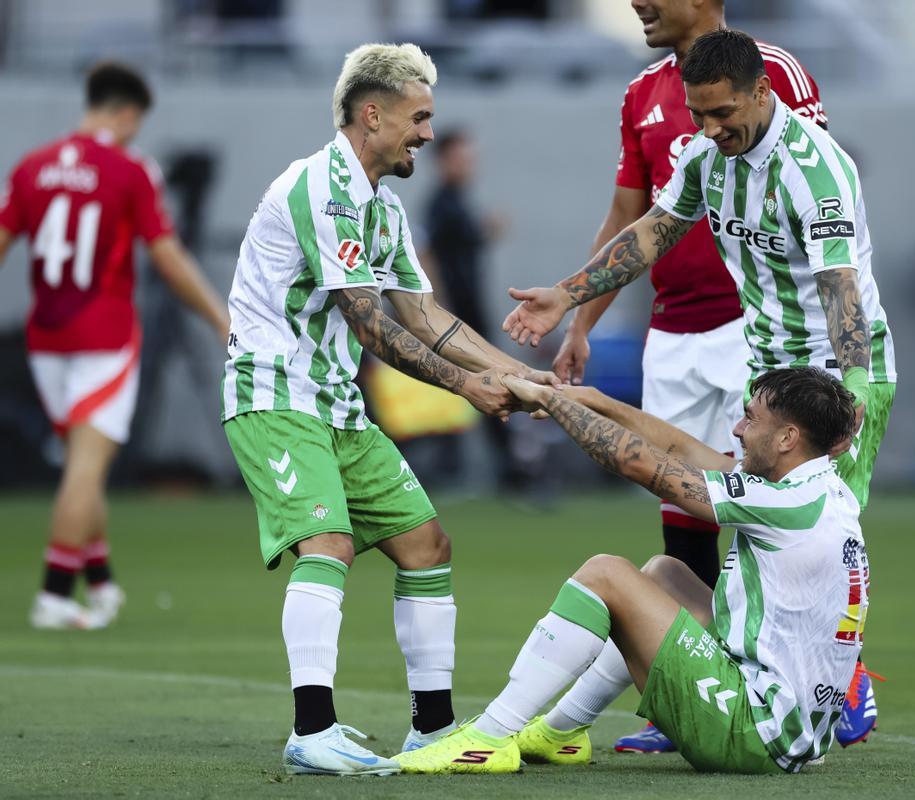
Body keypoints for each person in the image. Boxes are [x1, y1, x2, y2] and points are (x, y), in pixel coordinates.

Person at [504, 29, 896, 747]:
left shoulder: (817, 171)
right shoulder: (703, 155)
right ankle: (725, 687)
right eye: (701, 115)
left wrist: (857, 387)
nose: (711, 130)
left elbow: (841, 286)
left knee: (810, 532)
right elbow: (651, 233)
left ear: (762, 94)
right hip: (767, 367)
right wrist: (567, 296)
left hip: (837, 373)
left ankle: (839, 681)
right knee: (740, 535)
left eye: (723, 115)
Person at [220, 43, 547, 776]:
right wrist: (469, 388)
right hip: (275, 397)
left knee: (426, 545)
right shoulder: (320, 187)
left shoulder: (381, 207)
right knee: (327, 544)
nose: (427, 135)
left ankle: (431, 730)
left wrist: (526, 377)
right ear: (373, 114)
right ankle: (312, 731)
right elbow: (373, 326)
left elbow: (426, 316)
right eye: (419, 118)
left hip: (335, 405)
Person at [553, 0, 826, 753]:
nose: (637, 2)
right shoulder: (640, 95)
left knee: (756, 506)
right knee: (679, 518)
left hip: (752, 325)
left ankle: (827, 674)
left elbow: (815, 189)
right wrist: (582, 320)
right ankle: (693, 690)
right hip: (669, 332)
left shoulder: (774, 72)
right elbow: (629, 216)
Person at [392, 366, 867, 774]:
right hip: (795, 732)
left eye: (751, 419)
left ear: (788, 438)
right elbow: (680, 449)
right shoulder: (821, 490)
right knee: (666, 575)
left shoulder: (781, 501)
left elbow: (636, 463)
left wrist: (551, 402)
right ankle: (561, 732)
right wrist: (596, 402)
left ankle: (489, 737)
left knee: (606, 574)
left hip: (754, 735)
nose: (739, 430)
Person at [0, 62, 230, 631]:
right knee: (86, 466)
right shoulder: (130, 170)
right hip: (103, 336)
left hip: (46, 338)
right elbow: (168, 256)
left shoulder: (31, 167)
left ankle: (100, 583)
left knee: (85, 464)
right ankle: (55, 595)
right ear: (127, 112)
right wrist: (218, 317)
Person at [423, 129, 521, 488]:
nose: (468, 165)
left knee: (486, 383)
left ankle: (507, 463)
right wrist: (436, 305)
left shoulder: (458, 202)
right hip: (457, 316)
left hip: (471, 312)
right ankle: (502, 465)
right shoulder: (440, 204)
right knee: (480, 382)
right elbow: (426, 253)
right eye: (461, 158)